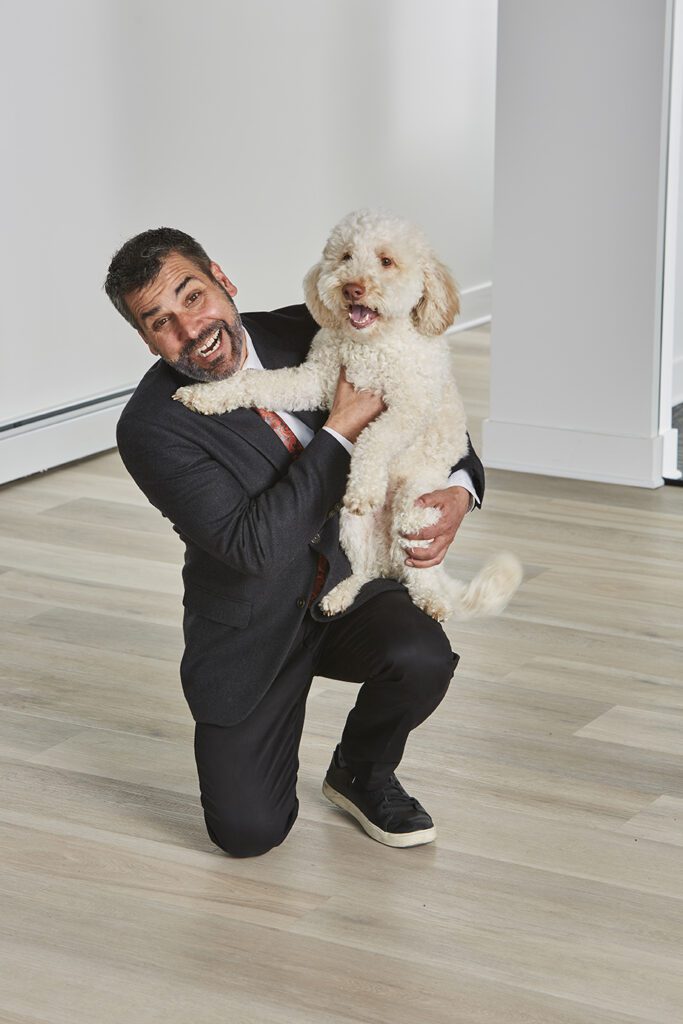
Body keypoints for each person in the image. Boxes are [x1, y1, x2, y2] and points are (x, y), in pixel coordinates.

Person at [105, 227, 485, 856]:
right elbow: (255, 548)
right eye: (160, 322)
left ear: (222, 278)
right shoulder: (151, 426)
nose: (189, 328)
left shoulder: (318, 326)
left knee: (424, 657)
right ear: (144, 338)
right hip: (254, 622)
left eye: (192, 296)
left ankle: (362, 768)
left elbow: (430, 398)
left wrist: (459, 487)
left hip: (349, 581)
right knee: (248, 835)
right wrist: (338, 431)